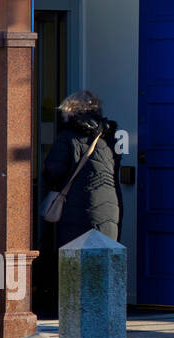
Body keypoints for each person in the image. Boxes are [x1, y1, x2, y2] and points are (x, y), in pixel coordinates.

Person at [42, 90, 121, 243]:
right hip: (111, 211)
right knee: (104, 263)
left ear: (71, 111)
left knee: (76, 264)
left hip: (78, 210)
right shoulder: (108, 137)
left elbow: (53, 172)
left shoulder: (68, 137)